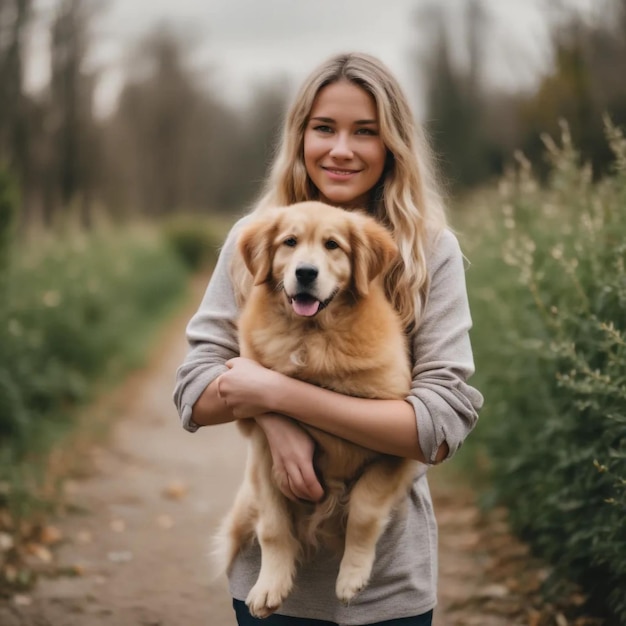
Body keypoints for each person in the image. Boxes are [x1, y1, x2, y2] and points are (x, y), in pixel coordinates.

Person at [173, 52, 483, 626]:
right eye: (324, 128)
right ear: (299, 137)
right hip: (272, 576)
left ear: (393, 144)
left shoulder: (429, 251)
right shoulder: (256, 238)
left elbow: (439, 429)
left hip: (389, 578)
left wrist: (282, 398)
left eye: (365, 132)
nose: (341, 149)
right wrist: (273, 422)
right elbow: (195, 391)